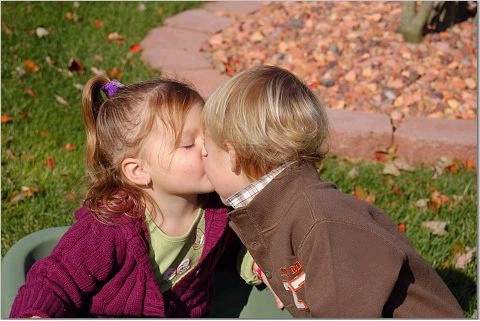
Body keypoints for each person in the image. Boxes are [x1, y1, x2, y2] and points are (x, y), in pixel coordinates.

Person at [200, 65, 465, 317]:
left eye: (207, 153)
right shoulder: (278, 206)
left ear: (232, 154)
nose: (203, 160)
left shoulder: (323, 223)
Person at [10, 76, 236, 317]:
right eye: (188, 143)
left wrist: (259, 266)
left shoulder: (217, 209)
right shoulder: (110, 228)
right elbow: (53, 282)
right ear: (139, 171)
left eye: (207, 134)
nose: (207, 147)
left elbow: (233, 250)